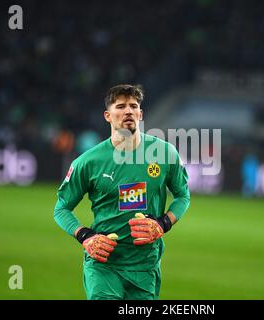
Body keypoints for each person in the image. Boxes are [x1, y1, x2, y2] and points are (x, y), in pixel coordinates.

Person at [54, 84, 190, 300]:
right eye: (121, 106)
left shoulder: (165, 153)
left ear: (140, 114)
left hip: (145, 264)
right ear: (108, 115)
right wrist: (85, 236)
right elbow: (61, 208)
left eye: (133, 106)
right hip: (104, 262)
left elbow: (183, 196)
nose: (128, 111)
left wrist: (164, 223)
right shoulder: (88, 162)